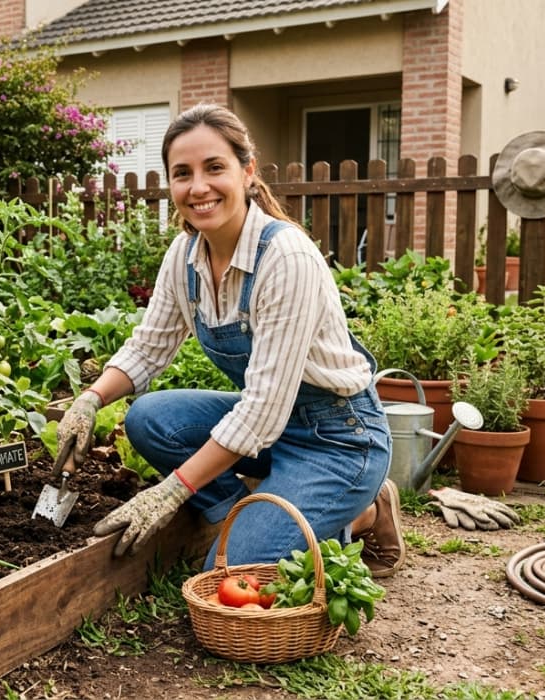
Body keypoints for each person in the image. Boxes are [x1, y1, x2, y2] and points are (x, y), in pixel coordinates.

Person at [54, 103, 404, 577]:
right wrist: (91, 400)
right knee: (150, 419)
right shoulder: (185, 255)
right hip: (273, 432)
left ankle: (364, 511)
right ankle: (243, 513)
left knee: (226, 572)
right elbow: (147, 347)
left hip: (338, 438)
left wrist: (172, 490)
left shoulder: (286, 257)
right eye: (182, 173)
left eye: (214, 167)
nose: (198, 187)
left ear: (247, 171)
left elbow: (260, 411)